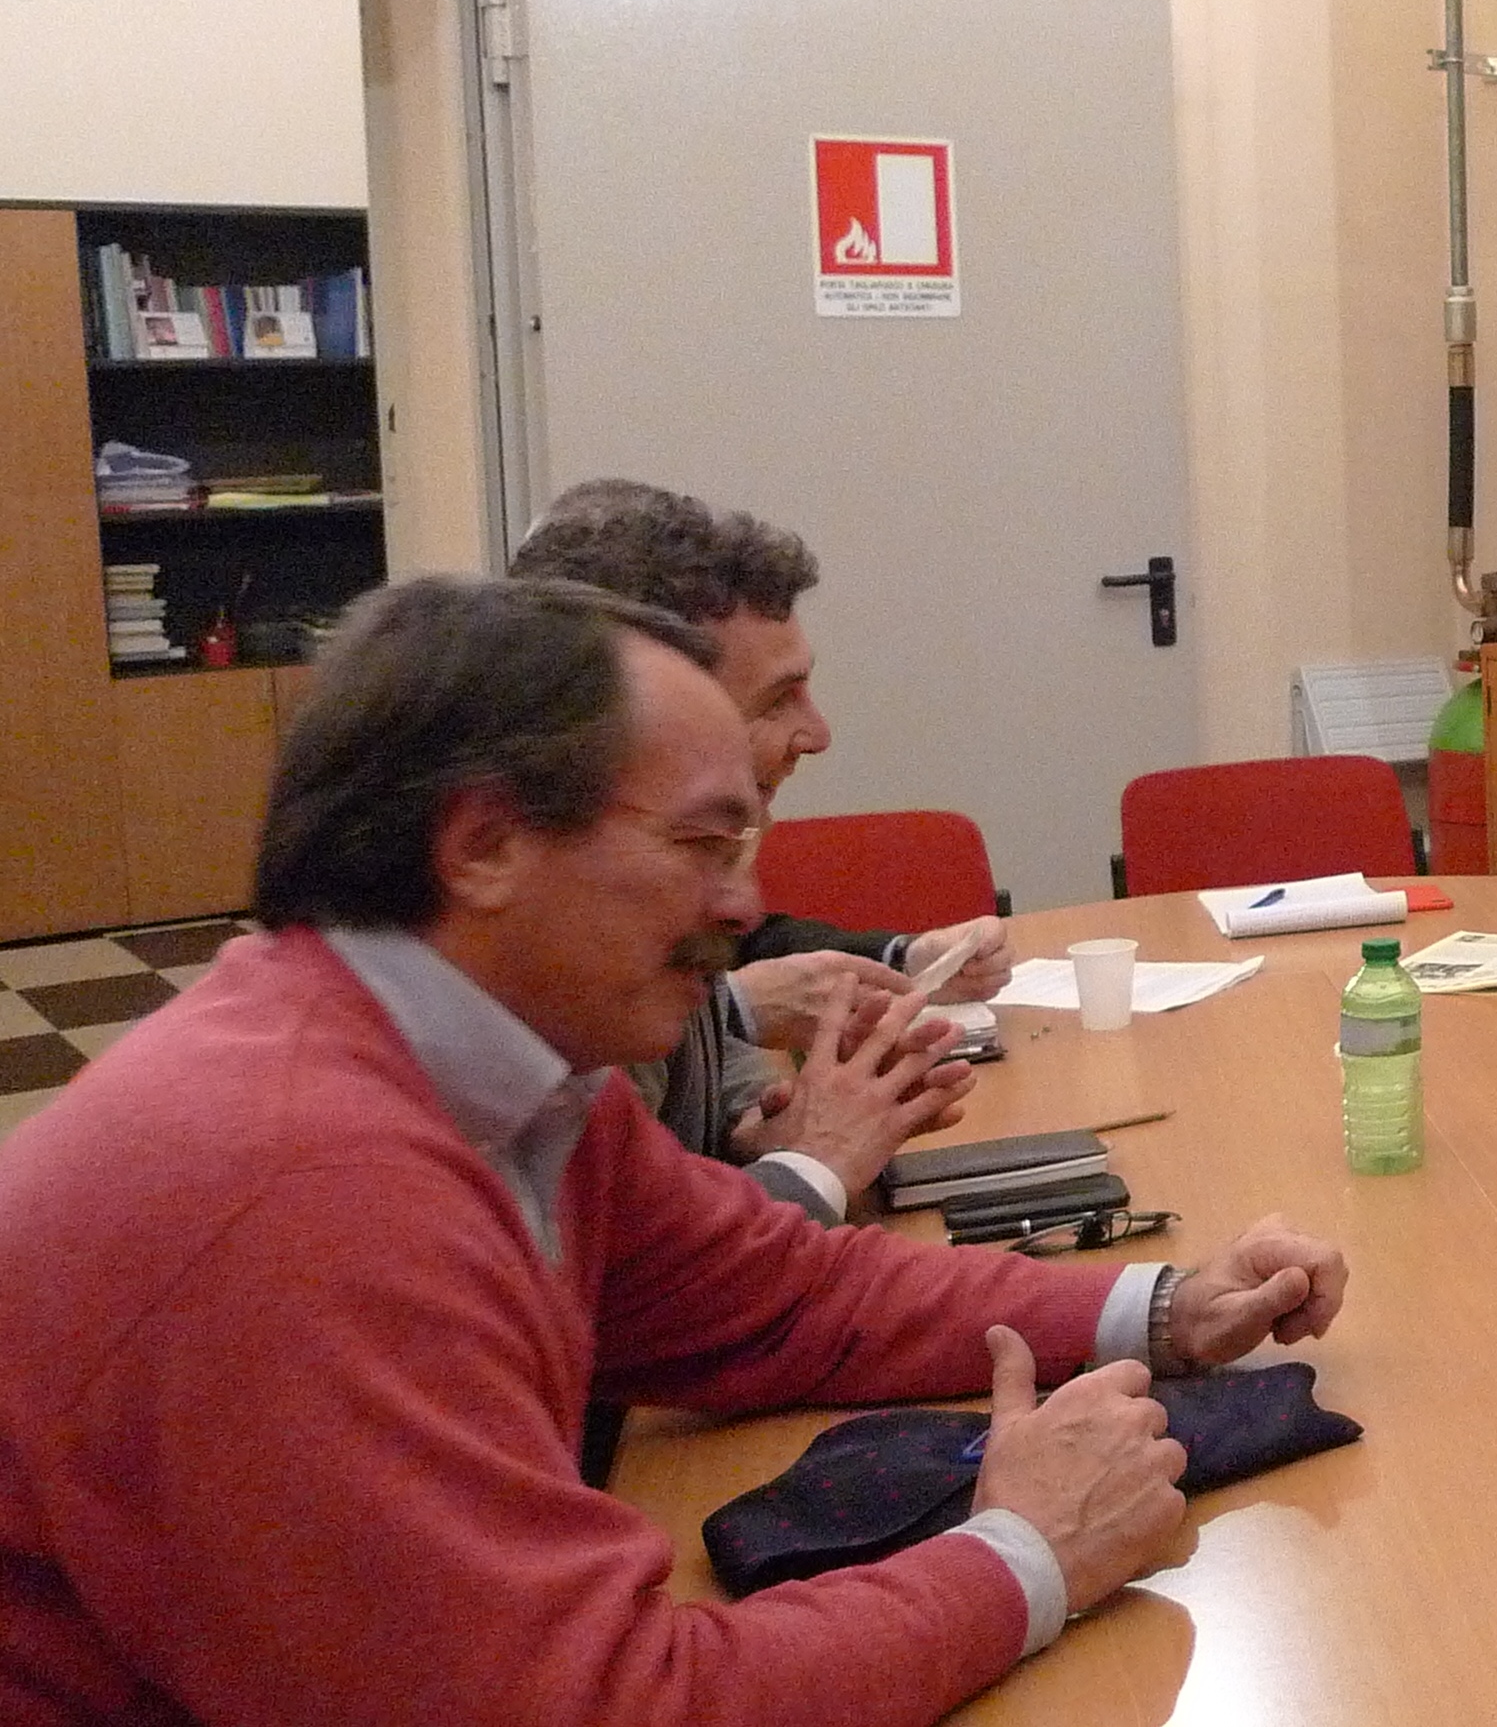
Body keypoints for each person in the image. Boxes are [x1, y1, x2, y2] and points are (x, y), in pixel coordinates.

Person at [0, 575, 1352, 1726]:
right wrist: (1025, 1554)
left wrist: (1167, 1307)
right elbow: (607, 1705)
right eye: (704, 841)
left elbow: (779, 1294)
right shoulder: (302, 1196)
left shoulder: (497, 1072)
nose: (748, 903)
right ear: (483, 844)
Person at [513, 477, 1014, 1221]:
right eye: (778, 699)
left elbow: (694, 1135)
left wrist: (767, 1132)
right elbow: (646, 1274)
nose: (818, 735)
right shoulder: (568, 965)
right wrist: (811, 1166)